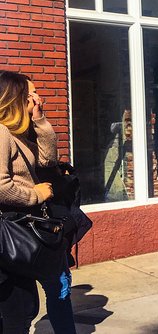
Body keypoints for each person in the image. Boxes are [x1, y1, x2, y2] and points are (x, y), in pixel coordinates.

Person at [0, 70, 77, 334]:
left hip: (30, 224)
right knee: (19, 310)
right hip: (14, 228)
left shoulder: (20, 132)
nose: (36, 98)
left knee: (29, 303)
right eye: (31, 93)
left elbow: (47, 160)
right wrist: (36, 194)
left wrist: (40, 120)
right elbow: (0, 186)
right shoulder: (0, 133)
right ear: (15, 98)